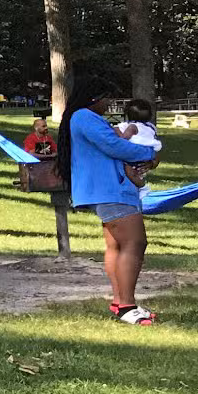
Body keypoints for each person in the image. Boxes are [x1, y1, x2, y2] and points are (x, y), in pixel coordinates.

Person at [59, 88, 165, 325]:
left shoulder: (88, 118)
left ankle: (120, 302)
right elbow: (114, 146)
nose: (108, 103)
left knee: (117, 245)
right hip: (110, 190)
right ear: (94, 98)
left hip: (114, 188)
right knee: (135, 242)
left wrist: (148, 160)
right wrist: (150, 152)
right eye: (106, 98)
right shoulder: (84, 116)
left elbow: (116, 144)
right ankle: (127, 305)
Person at [117, 97, 163, 188]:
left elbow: (123, 140)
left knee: (130, 172)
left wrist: (119, 135)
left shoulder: (131, 127)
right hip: (148, 156)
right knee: (138, 172)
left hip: (132, 154)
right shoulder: (151, 127)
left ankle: (142, 187)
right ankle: (140, 186)